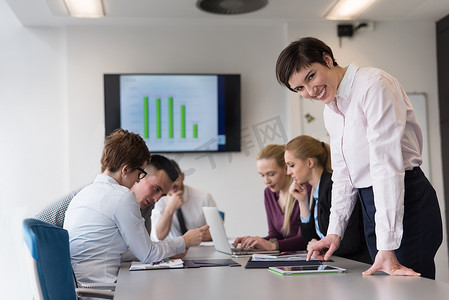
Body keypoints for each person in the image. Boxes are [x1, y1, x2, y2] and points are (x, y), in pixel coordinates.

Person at [275, 37, 443, 279]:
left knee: (407, 291)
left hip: (405, 198)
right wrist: (333, 233)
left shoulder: (373, 84)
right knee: (386, 289)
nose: (310, 92)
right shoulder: (331, 109)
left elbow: (386, 166)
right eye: (300, 88)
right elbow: (344, 175)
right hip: (372, 204)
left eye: (311, 77)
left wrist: (387, 245)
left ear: (327, 59)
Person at [64, 129, 208, 284]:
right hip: (104, 291)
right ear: (125, 170)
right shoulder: (122, 197)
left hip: (83, 288)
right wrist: (185, 241)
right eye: (140, 173)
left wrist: (167, 251)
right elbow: (149, 255)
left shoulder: (81, 195)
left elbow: (116, 251)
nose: (138, 180)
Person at [285, 135, 370, 263]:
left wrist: (321, 248)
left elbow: (351, 242)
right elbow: (309, 240)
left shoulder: (332, 187)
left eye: (291, 165)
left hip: (355, 264)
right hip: (339, 263)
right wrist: (303, 202)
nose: (288, 172)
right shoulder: (316, 189)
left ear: (310, 162)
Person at [233, 144, 305, 251]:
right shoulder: (269, 193)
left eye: (271, 174)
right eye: (262, 175)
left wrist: (273, 246)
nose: (266, 181)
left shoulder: (301, 191)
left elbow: (304, 239)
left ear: (286, 169)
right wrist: (253, 241)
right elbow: (275, 235)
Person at [151, 159, 216, 242]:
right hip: (170, 251)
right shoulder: (157, 199)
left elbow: (217, 233)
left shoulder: (204, 197)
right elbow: (158, 236)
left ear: (182, 176)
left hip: (198, 249)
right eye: (168, 181)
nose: (172, 184)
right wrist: (170, 209)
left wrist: (211, 235)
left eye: (175, 179)